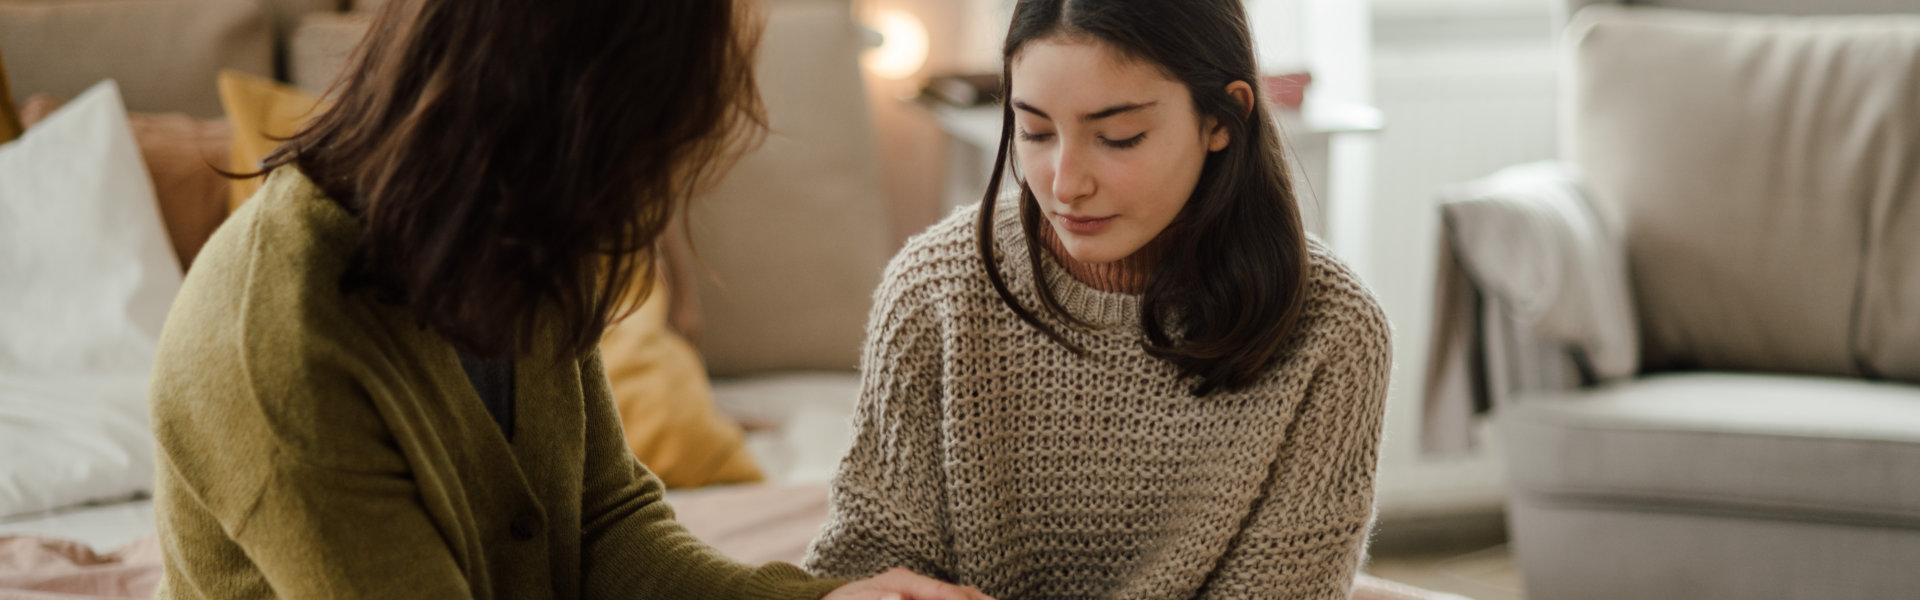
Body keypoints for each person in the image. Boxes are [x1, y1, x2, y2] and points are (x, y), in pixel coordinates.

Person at [146, 1, 990, 598]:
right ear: (548, 123)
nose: (647, 203)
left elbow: (603, 531)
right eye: (640, 154)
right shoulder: (281, 347)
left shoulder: (514, 238)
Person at [804, 0, 1393, 597]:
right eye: (1034, 131)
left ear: (1223, 118)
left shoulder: (1333, 328)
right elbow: (866, 571)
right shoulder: (934, 291)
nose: (1065, 184)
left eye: (1118, 138)